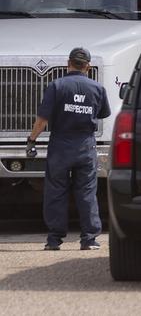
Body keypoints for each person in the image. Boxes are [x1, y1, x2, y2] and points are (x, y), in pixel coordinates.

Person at [26, 47, 111, 251]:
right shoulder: (97, 89)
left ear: (68, 63)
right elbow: (103, 114)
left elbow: (43, 119)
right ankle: (89, 239)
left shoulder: (56, 86)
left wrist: (31, 140)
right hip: (85, 145)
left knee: (56, 192)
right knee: (87, 192)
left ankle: (54, 240)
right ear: (88, 66)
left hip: (60, 145)